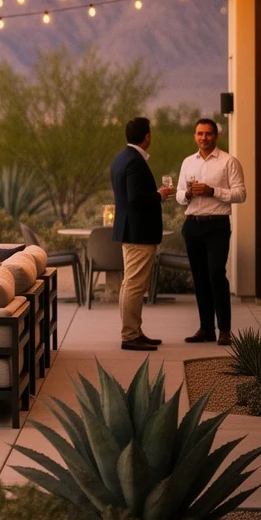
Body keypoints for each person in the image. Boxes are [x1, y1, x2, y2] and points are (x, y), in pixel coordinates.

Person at [176, 118, 247, 346]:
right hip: (192, 224)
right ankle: (206, 329)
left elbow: (240, 194)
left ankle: (224, 329)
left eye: (208, 134)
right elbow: (178, 194)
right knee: (199, 278)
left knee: (216, 274)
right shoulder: (188, 162)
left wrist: (212, 191)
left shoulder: (229, 162)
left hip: (217, 225)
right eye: (199, 133)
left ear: (215, 136)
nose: (203, 138)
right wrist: (186, 194)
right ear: (195, 136)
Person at [110, 116, 173, 352]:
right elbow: (135, 198)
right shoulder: (135, 161)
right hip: (138, 233)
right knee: (135, 285)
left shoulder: (121, 158)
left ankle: (134, 331)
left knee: (130, 284)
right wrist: (159, 195)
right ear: (147, 136)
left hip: (131, 231)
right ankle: (129, 335)